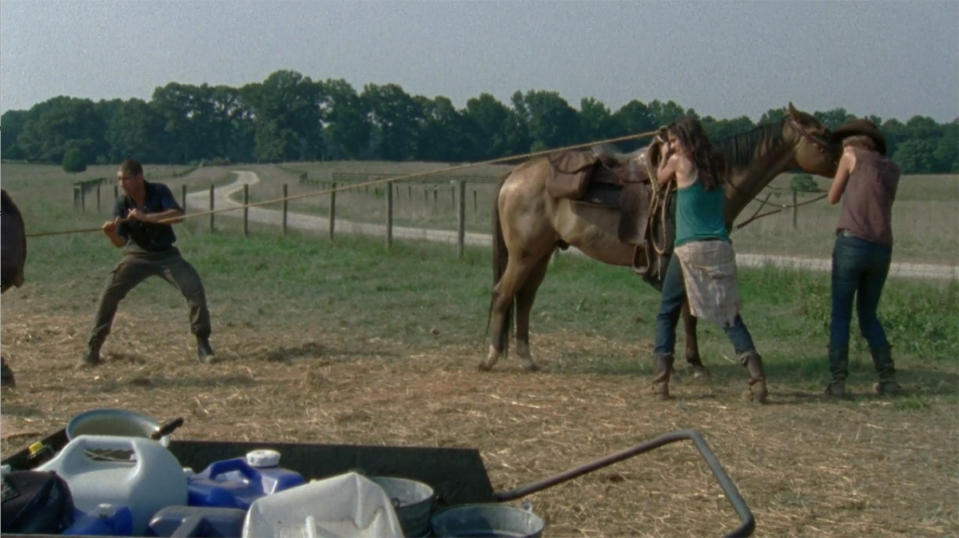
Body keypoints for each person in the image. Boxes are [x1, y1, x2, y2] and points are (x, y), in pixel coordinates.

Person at [651, 117, 767, 402]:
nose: (673, 144)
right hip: (720, 246)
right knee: (729, 314)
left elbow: (658, 179)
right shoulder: (718, 161)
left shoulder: (679, 162)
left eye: (676, 139)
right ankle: (757, 377)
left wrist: (665, 154)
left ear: (686, 140)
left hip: (689, 248)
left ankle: (661, 380)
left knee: (667, 311)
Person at [81, 159, 215, 366]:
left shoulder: (159, 191)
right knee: (109, 293)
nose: (122, 183)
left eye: (126, 178)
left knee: (194, 288)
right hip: (137, 255)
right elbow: (121, 242)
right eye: (119, 179)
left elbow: (178, 215)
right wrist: (110, 234)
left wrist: (146, 217)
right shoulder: (122, 203)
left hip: (166, 255)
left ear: (139, 177)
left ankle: (202, 343)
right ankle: (93, 349)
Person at [825, 120, 901, 397]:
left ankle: (838, 381)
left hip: (852, 243)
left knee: (841, 315)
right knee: (869, 315)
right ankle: (887, 377)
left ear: (854, 142)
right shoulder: (893, 168)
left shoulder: (850, 156)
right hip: (882, 248)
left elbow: (832, 197)